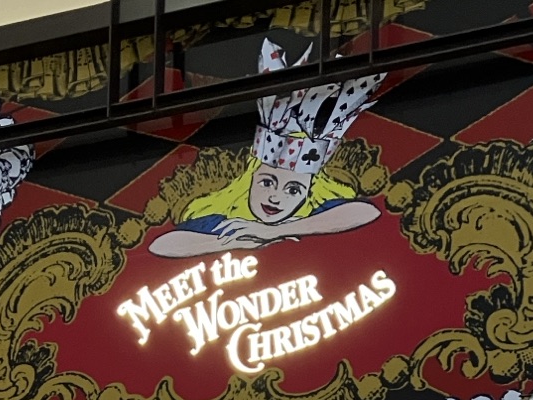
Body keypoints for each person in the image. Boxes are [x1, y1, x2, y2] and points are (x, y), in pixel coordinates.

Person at [150, 41, 381, 259]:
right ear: (249, 178)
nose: (275, 197)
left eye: (293, 190)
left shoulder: (317, 211)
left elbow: (366, 212)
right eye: (267, 182)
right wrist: (234, 241)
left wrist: (273, 231)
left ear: (309, 191)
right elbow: (162, 245)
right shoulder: (229, 221)